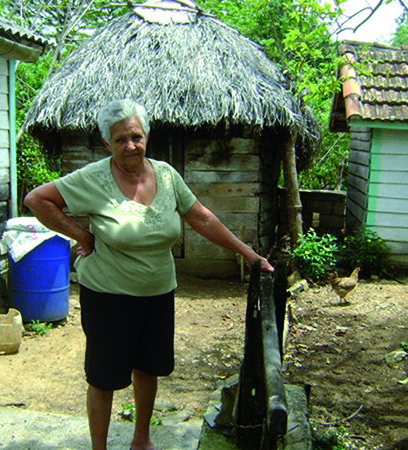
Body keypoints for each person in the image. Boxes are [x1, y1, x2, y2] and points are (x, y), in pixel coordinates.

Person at [24, 99, 274, 450]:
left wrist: (248, 254)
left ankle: (141, 441)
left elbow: (201, 217)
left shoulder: (167, 175)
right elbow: (37, 200)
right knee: (104, 377)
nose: (130, 146)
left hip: (158, 292)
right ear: (106, 144)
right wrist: (82, 235)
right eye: (120, 140)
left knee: (148, 368)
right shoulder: (93, 178)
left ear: (147, 137)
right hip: (108, 295)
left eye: (136, 137)